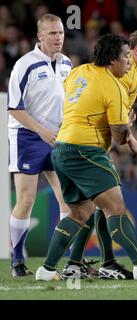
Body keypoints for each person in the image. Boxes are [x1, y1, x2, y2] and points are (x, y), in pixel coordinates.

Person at [35, 34, 137, 281]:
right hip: (86, 151)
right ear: (112, 59)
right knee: (116, 208)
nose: (128, 63)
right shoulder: (113, 86)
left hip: (62, 149)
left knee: (80, 213)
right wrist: (128, 129)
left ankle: (47, 270)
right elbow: (119, 136)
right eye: (125, 58)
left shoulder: (79, 72)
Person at [61, 28, 137, 280]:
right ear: (135, 51)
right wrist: (132, 139)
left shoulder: (132, 77)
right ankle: (79, 262)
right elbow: (117, 115)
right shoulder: (122, 76)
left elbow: (125, 100)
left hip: (89, 147)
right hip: (89, 148)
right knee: (103, 206)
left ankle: (93, 262)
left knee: (96, 206)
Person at [7, 14, 72, 278]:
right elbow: (14, 108)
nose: (58, 38)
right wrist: (41, 131)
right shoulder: (25, 65)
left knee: (68, 200)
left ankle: (66, 261)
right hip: (27, 137)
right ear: (40, 37)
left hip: (57, 138)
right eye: (53, 33)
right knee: (26, 199)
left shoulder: (68, 64)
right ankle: (17, 261)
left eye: (61, 33)